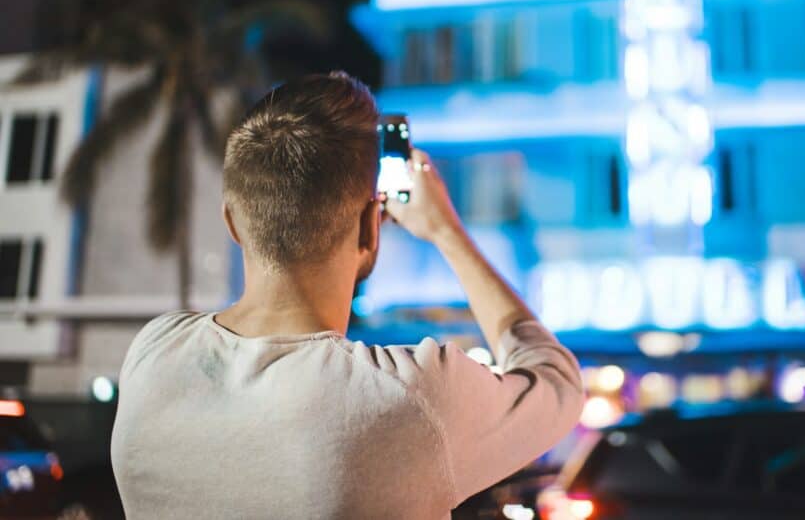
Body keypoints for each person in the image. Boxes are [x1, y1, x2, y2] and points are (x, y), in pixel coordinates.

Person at [110, 72, 585, 519]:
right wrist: (445, 232)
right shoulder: (409, 398)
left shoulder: (153, 356)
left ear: (232, 221)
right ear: (368, 229)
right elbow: (557, 382)